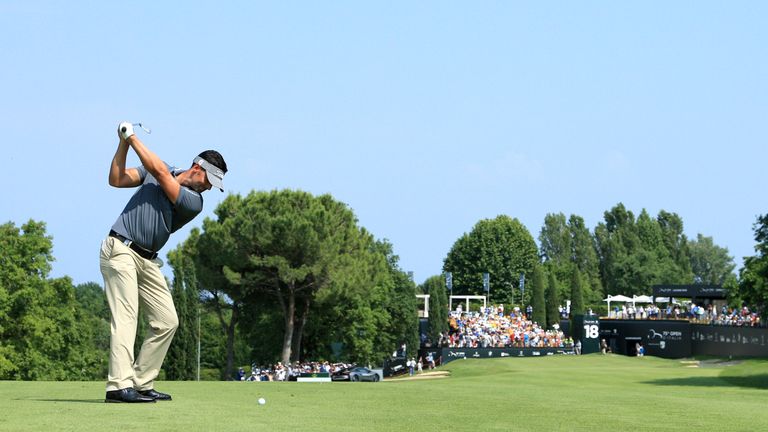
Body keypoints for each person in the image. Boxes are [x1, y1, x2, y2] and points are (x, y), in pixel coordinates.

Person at [101, 122, 227, 403]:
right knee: (126, 317)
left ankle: (142, 381)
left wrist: (131, 136)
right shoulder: (156, 170)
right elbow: (117, 179)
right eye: (209, 180)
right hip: (120, 248)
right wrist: (122, 143)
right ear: (198, 168)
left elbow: (159, 171)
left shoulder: (193, 201)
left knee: (167, 320)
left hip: (147, 260)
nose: (208, 188)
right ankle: (118, 386)